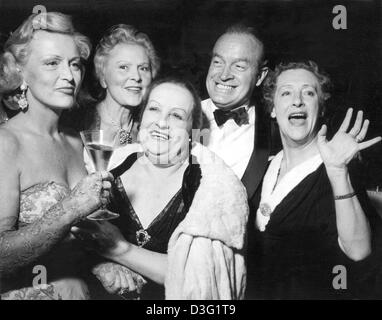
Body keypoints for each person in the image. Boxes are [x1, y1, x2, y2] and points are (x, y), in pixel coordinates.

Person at [72, 77, 249, 300]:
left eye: (176, 115)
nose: (161, 122)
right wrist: (99, 265)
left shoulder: (212, 188)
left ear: (193, 130)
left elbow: (200, 279)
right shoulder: (115, 165)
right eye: (154, 109)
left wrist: (119, 249)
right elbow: (79, 243)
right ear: (142, 116)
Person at [0, 12, 113, 300]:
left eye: (75, 64)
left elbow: (82, 237)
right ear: (20, 72)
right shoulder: (6, 143)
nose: (69, 76)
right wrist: (71, 208)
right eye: (52, 63)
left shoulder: (76, 140)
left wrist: (104, 264)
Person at [246, 61, 382, 299]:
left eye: (308, 93)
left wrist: (338, 172)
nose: (297, 100)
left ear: (320, 108)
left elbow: (359, 250)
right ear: (273, 108)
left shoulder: (338, 169)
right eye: (286, 92)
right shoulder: (261, 167)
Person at [201, 24, 270, 200]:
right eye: (218, 62)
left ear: (260, 76)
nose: (224, 75)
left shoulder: (275, 130)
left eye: (238, 66)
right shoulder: (181, 114)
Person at [78, 24, 159, 146]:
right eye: (123, 67)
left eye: (143, 68)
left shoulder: (153, 127)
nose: (136, 77)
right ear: (102, 76)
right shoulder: (78, 123)